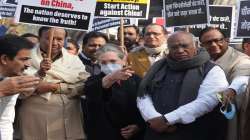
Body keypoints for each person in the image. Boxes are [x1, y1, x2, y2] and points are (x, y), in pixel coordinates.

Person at [137, 31, 229, 140]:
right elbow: (143, 95)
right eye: (174, 47)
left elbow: (207, 101)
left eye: (184, 46)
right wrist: (153, 118)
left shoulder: (212, 70)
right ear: (168, 49)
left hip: (194, 132)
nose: (180, 50)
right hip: (156, 132)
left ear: (195, 45)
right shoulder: (158, 67)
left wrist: (166, 120)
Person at [17, 27, 89, 140]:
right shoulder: (25, 57)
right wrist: (39, 73)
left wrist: (55, 87)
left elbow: (84, 84)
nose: (54, 43)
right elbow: (21, 84)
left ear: (65, 40)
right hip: (34, 115)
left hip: (69, 114)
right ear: (40, 38)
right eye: (48, 38)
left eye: (59, 39)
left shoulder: (73, 60)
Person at [84, 44, 145, 140]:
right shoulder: (93, 81)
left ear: (123, 61)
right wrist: (112, 77)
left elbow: (145, 106)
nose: (108, 65)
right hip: (105, 134)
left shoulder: (136, 80)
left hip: (133, 135)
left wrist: (139, 125)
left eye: (113, 61)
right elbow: (94, 91)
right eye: (104, 63)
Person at [199, 27, 250, 140]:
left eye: (218, 40)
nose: (213, 44)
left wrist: (231, 90)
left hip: (224, 114)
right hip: (200, 114)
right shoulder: (198, 59)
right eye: (208, 42)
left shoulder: (241, 59)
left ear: (226, 40)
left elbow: (242, 78)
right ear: (201, 45)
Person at [0, 34, 40, 140]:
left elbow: (5, 119)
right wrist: (1, 90)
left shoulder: (13, 80)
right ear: (4, 59)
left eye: (29, 59)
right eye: (24, 59)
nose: (28, 65)